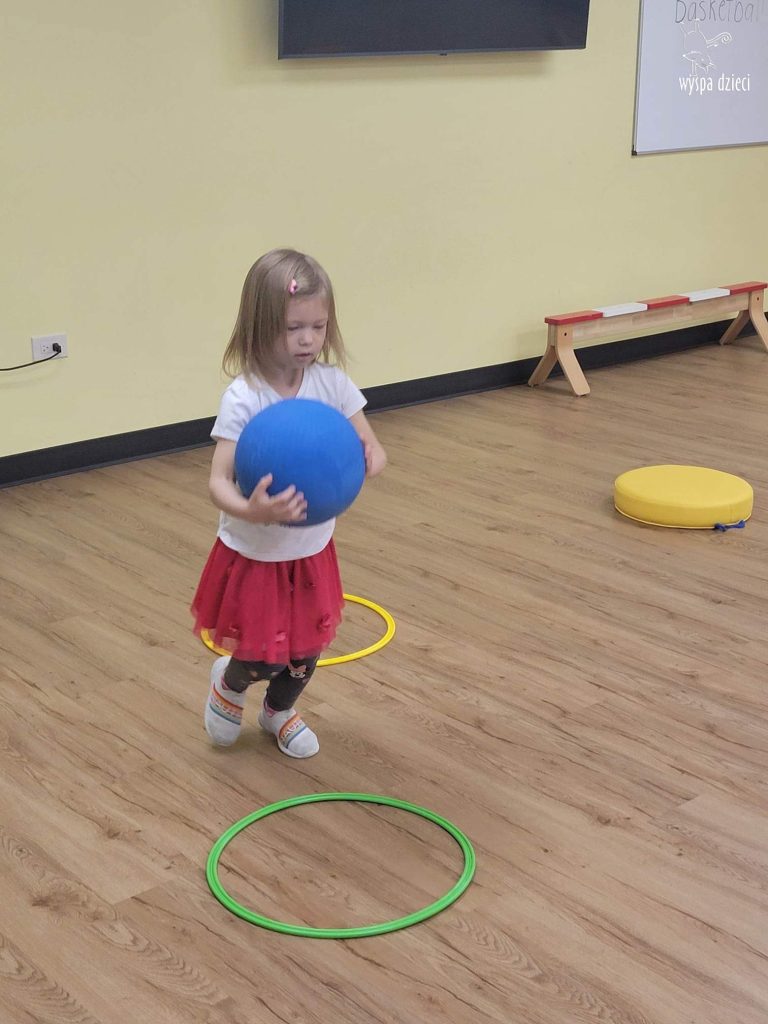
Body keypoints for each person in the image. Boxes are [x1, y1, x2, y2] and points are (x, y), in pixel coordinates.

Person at [192, 249, 387, 759]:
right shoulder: (245, 396)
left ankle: (278, 711)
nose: (307, 340)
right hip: (257, 553)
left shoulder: (332, 384)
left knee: (306, 652)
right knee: (262, 654)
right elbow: (217, 482)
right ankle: (230, 683)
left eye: (318, 327)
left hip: (311, 550)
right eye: (293, 328)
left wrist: (370, 457)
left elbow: (371, 445)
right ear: (259, 327)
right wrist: (251, 510)